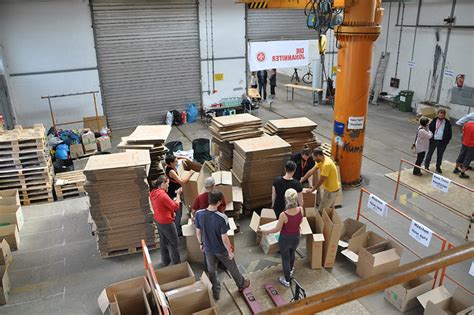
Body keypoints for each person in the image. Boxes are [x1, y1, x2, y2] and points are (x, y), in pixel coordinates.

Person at [195, 190, 250, 301]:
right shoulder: (222, 218)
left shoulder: (199, 214)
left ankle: (216, 293)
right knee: (232, 267)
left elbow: (198, 232)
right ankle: (241, 284)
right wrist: (230, 251)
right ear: (219, 202)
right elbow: (224, 238)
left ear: (209, 200)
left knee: (212, 271)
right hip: (221, 249)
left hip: (208, 249)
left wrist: (201, 243)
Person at [261, 189, 303, 288]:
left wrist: (265, 231)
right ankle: (291, 269)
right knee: (292, 252)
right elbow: (300, 221)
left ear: (286, 199)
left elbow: (277, 229)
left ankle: (287, 280)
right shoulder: (301, 209)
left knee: (285, 259)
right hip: (296, 237)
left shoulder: (284, 215)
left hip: (285, 239)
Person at [150, 175, 182, 266]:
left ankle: (166, 261)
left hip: (158, 219)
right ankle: (177, 264)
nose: (168, 185)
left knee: (163, 241)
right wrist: (178, 195)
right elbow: (175, 207)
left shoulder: (153, 192)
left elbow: (162, 205)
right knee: (174, 243)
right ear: (163, 183)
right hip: (166, 222)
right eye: (167, 183)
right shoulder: (163, 195)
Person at [165, 154, 194, 236]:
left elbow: (177, 158)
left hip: (177, 190)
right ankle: (177, 231)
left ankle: (176, 228)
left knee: (178, 212)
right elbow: (181, 181)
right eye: (175, 161)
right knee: (178, 213)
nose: (177, 162)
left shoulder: (169, 164)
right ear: (170, 163)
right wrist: (190, 173)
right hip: (174, 194)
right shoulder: (171, 171)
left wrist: (186, 157)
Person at [424, 109, 452, 173]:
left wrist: (446, 141)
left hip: (442, 142)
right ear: (438, 114)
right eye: (439, 114)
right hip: (433, 140)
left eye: (442, 115)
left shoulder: (447, 122)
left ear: (444, 115)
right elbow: (429, 129)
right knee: (430, 153)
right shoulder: (434, 120)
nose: (440, 116)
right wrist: (430, 138)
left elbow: (450, 133)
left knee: (440, 155)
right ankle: (426, 166)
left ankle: (438, 167)